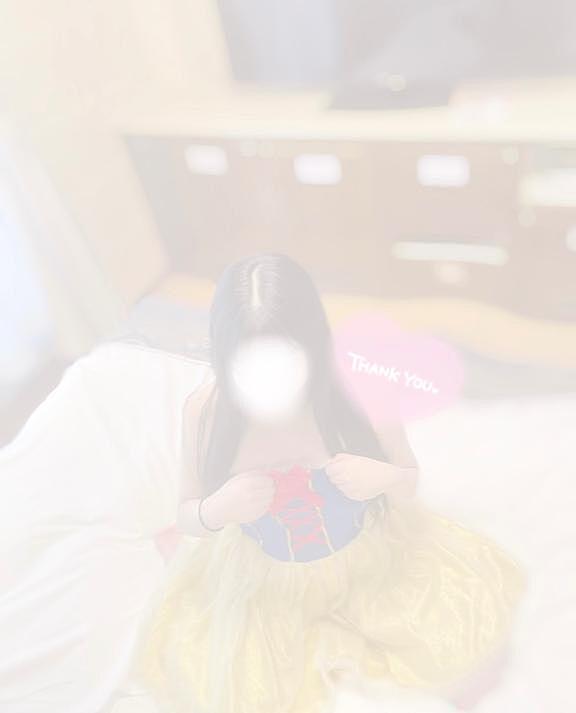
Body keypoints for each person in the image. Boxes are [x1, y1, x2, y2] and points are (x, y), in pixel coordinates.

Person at [133, 252, 527, 713]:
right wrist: (216, 509)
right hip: (262, 581)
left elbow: (408, 480)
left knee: (448, 642)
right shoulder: (207, 410)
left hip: (366, 563)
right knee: (243, 687)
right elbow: (188, 512)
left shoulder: (359, 389)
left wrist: (381, 476)